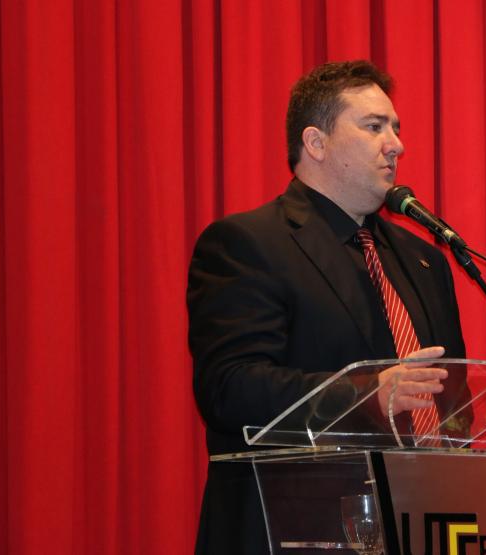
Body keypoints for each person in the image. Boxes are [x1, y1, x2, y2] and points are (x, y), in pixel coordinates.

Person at [187, 60, 467, 554]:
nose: (396, 145)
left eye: (396, 128)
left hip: (418, 526)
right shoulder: (248, 244)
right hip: (293, 531)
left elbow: (453, 400)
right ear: (316, 143)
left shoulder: (423, 260)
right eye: (374, 127)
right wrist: (367, 393)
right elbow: (230, 389)